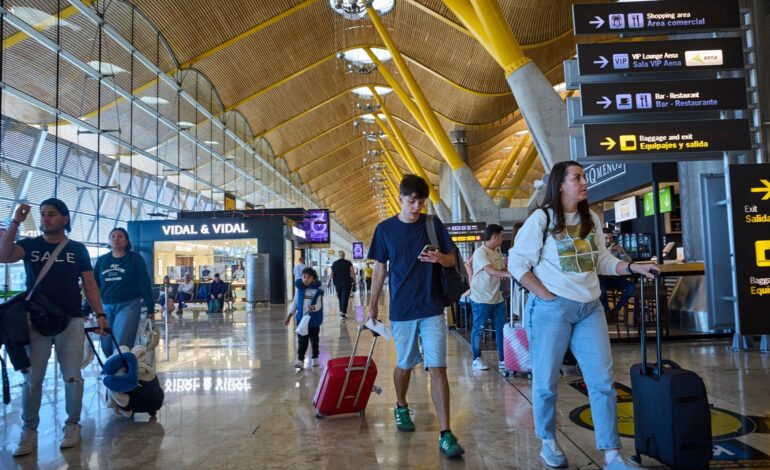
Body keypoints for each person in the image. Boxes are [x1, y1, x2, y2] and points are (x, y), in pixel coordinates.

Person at [508, 161, 656, 470]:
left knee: (602, 381)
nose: (584, 181)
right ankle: (548, 439)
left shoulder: (591, 218)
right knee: (546, 381)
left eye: (584, 176)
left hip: (590, 308)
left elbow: (602, 261)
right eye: (577, 177)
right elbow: (517, 263)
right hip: (551, 310)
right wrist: (546, 296)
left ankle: (612, 454)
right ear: (560, 185)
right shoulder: (542, 219)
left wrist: (632, 267)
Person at [0, 199, 108, 456]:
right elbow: (3, 255)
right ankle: (29, 430)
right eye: (42, 214)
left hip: (71, 319)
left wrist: (100, 313)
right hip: (36, 320)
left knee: (72, 376)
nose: (45, 218)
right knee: (33, 379)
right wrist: (16, 222)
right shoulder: (30, 245)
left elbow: (89, 284)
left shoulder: (77, 249)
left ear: (65, 219)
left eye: (51, 214)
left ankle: (72, 425)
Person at [368, 174, 465, 458]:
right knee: (405, 364)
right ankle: (401, 405)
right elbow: (380, 269)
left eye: (421, 202)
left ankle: (446, 433)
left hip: (432, 307)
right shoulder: (385, 229)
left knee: (438, 368)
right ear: (400, 198)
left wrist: (440, 259)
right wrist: (372, 306)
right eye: (411, 201)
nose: (416, 207)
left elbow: (452, 258)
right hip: (402, 310)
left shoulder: (432, 224)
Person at [94, 227, 155, 356]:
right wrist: (87, 308)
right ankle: (113, 365)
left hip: (129, 305)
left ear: (127, 241)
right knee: (106, 343)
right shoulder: (102, 260)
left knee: (121, 343)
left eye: (120, 236)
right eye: (113, 236)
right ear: (109, 241)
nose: (116, 239)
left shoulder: (135, 259)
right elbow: (94, 285)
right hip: (105, 306)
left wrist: (150, 307)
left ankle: (121, 366)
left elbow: (144, 283)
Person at [469, 224, 512, 372]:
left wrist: (515, 271)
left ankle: (503, 360)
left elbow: (502, 269)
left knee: (501, 329)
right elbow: (490, 271)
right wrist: (509, 274)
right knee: (478, 329)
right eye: (501, 236)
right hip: (480, 298)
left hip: (497, 298)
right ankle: (476, 359)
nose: (502, 239)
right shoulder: (480, 252)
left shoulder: (497, 251)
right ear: (494, 236)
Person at [284, 267, 324, 369]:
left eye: (309, 277)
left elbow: (319, 305)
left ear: (313, 279)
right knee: (302, 341)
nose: (306, 279)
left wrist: (313, 307)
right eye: (304, 277)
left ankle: (315, 358)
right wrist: (289, 316)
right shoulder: (299, 290)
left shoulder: (317, 291)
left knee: (314, 341)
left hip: (313, 321)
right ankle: (300, 360)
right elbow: (295, 304)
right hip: (301, 320)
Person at [599, 228, 635, 321]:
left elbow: (629, 262)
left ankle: (615, 310)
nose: (609, 241)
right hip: (601, 279)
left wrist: (621, 252)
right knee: (601, 290)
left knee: (631, 288)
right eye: (606, 238)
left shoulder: (616, 248)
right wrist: (608, 253)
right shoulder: (596, 248)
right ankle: (607, 311)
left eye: (611, 238)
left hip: (615, 278)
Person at [328, 250, 354, 318]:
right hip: (347, 283)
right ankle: (343, 312)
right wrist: (355, 281)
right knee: (345, 297)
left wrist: (328, 282)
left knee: (340, 297)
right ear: (344, 255)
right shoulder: (348, 263)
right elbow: (352, 273)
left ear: (338, 255)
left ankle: (341, 311)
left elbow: (331, 274)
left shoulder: (335, 263)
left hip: (337, 283)